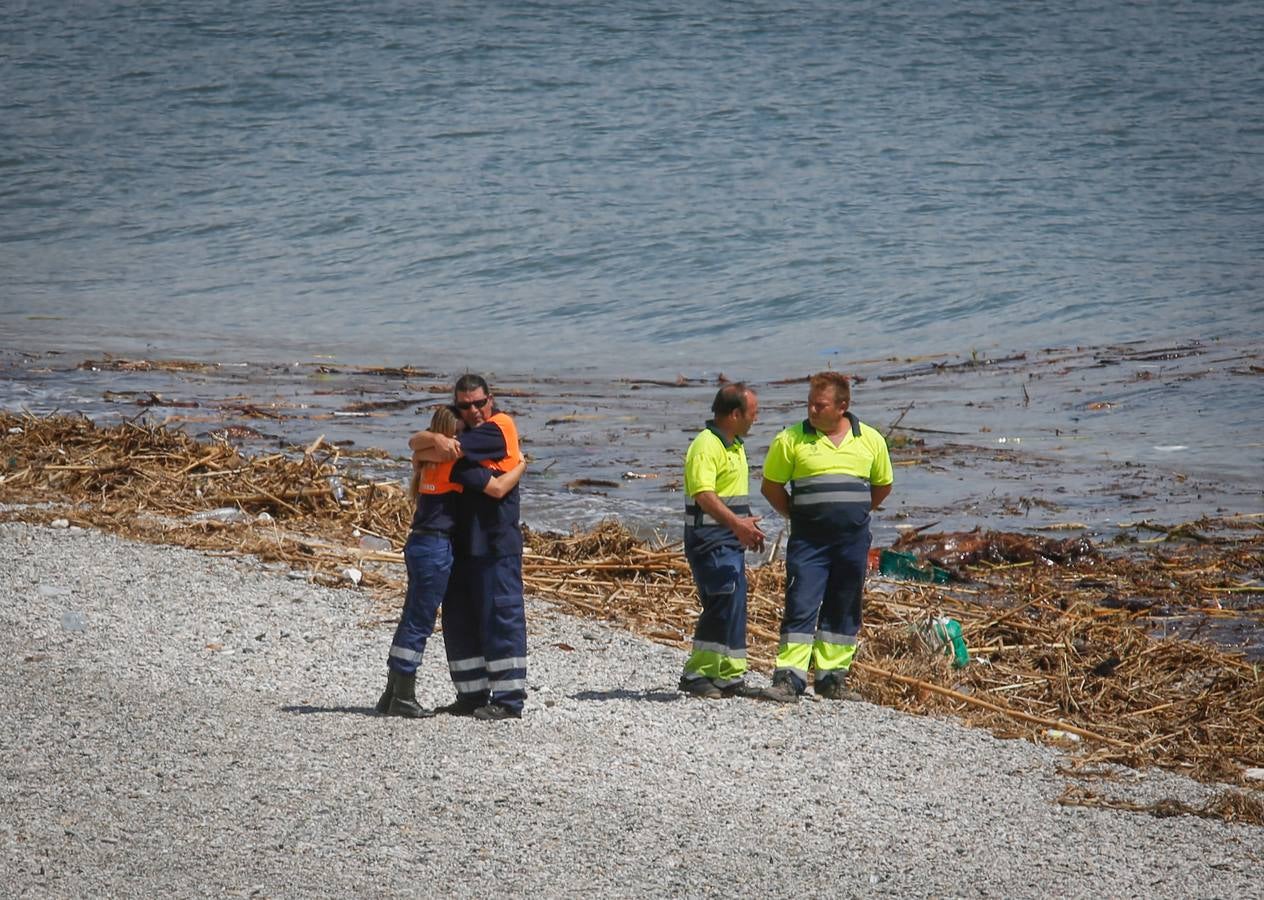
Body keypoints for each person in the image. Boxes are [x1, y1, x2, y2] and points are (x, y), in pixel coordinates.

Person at [376, 405, 525, 718]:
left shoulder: (425, 460)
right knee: (419, 621)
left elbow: (414, 445)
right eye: (459, 434)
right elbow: (496, 488)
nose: (464, 440)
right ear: (450, 437)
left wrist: (427, 438)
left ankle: (392, 693)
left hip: (418, 541)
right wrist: (521, 465)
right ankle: (401, 696)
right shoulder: (452, 464)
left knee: (412, 615)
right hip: (436, 547)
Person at [758, 371, 893, 703]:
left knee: (844, 606)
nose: (812, 411)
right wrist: (798, 515)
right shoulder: (790, 440)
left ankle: (832, 679)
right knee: (801, 602)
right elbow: (771, 486)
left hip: (852, 541)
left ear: (842, 406)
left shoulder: (870, 439)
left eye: (820, 406)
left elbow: (883, 485)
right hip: (809, 542)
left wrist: (855, 512)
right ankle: (789, 678)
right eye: (810, 405)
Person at [679, 383, 765, 700]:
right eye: (752, 413)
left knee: (735, 602)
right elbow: (704, 495)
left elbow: (731, 497)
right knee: (721, 599)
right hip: (709, 538)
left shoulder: (735, 445)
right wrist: (737, 525)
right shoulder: (706, 445)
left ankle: (729, 674)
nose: (756, 418)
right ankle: (697, 673)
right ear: (734, 414)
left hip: (730, 537)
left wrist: (747, 524)